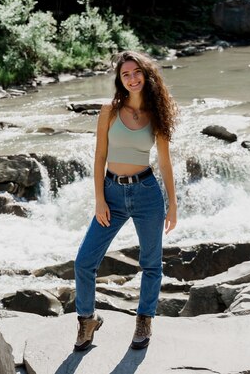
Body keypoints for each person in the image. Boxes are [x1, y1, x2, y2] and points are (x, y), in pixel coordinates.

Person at [73, 50, 178, 352]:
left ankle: (144, 320)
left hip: (147, 194)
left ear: (146, 75)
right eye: (125, 74)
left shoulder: (156, 112)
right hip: (113, 195)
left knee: (151, 264)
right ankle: (86, 321)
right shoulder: (109, 110)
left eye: (136, 73)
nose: (132, 79)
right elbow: (100, 156)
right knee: (84, 261)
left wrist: (172, 203)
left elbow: (166, 162)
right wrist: (99, 199)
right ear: (120, 80)